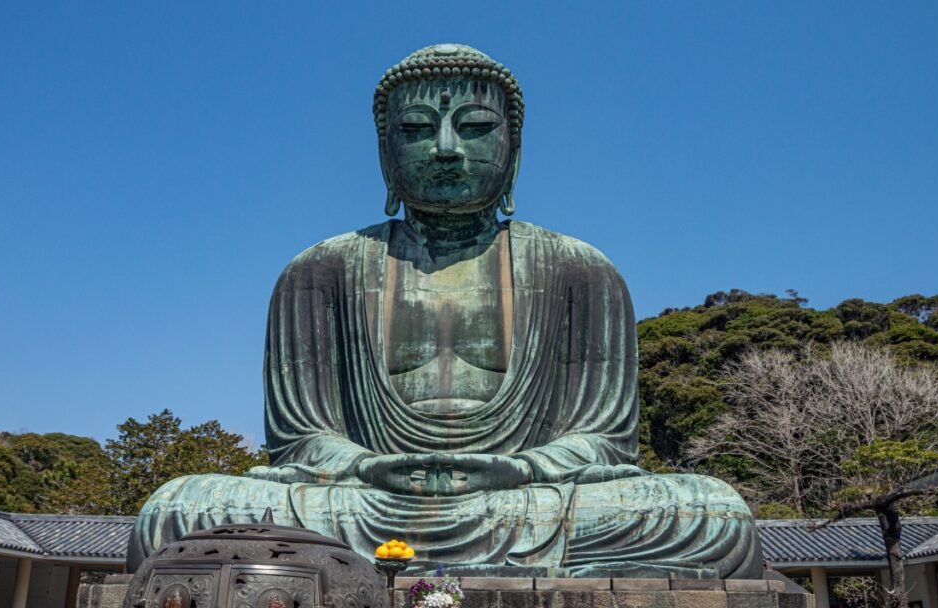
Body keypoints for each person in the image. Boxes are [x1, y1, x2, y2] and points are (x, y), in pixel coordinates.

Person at [127, 43, 762, 579]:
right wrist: (362, 465)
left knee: (710, 513)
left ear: (514, 145)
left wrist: (522, 468)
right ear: (384, 149)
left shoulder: (580, 270)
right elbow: (299, 439)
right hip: (365, 499)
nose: (447, 146)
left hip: (527, 499)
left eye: (477, 127)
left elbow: (603, 441)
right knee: (181, 510)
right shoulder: (319, 271)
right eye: (416, 130)